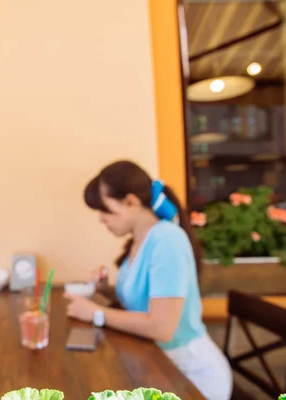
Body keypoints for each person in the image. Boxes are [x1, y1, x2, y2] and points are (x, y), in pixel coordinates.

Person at [65, 160, 232, 400]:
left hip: (191, 378)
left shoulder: (166, 241)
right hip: (158, 366)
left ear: (131, 202)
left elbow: (161, 327)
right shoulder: (141, 240)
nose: (101, 219)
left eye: (105, 210)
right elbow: (144, 300)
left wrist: (95, 313)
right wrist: (105, 289)